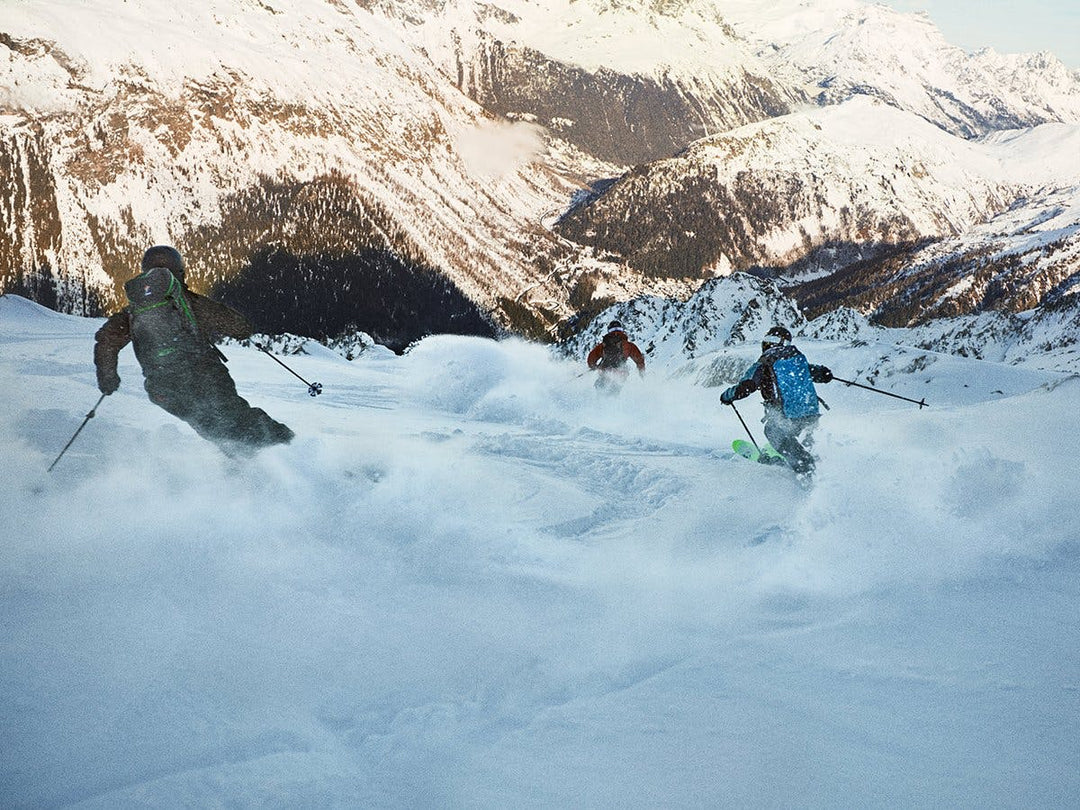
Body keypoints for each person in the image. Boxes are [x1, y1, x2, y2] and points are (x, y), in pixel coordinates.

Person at [94, 245, 294, 456]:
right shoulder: (191, 302)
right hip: (204, 376)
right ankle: (290, 451)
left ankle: (245, 464)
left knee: (211, 427)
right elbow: (239, 327)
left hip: (162, 389)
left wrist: (108, 377)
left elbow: (106, 340)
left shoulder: (132, 313)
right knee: (239, 418)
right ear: (179, 272)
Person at [719, 326, 832, 478]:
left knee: (772, 431)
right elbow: (819, 373)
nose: (768, 343)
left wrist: (727, 396)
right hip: (811, 414)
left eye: (771, 340)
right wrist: (825, 374)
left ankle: (805, 469)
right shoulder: (797, 361)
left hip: (786, 417)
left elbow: (747, 386)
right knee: (799, 437)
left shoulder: (764, 363)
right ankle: (817, 465)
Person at [586, 319, 646, 393]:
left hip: (605, 372)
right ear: (622, 330)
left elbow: (591, 359)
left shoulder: (602, 346)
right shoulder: (628, 345)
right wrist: (642, 373)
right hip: (621, 373)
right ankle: (614, 402)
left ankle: (598, 402)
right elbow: (639, 360)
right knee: (615, 393)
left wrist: (594, 366)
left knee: (601, 390)